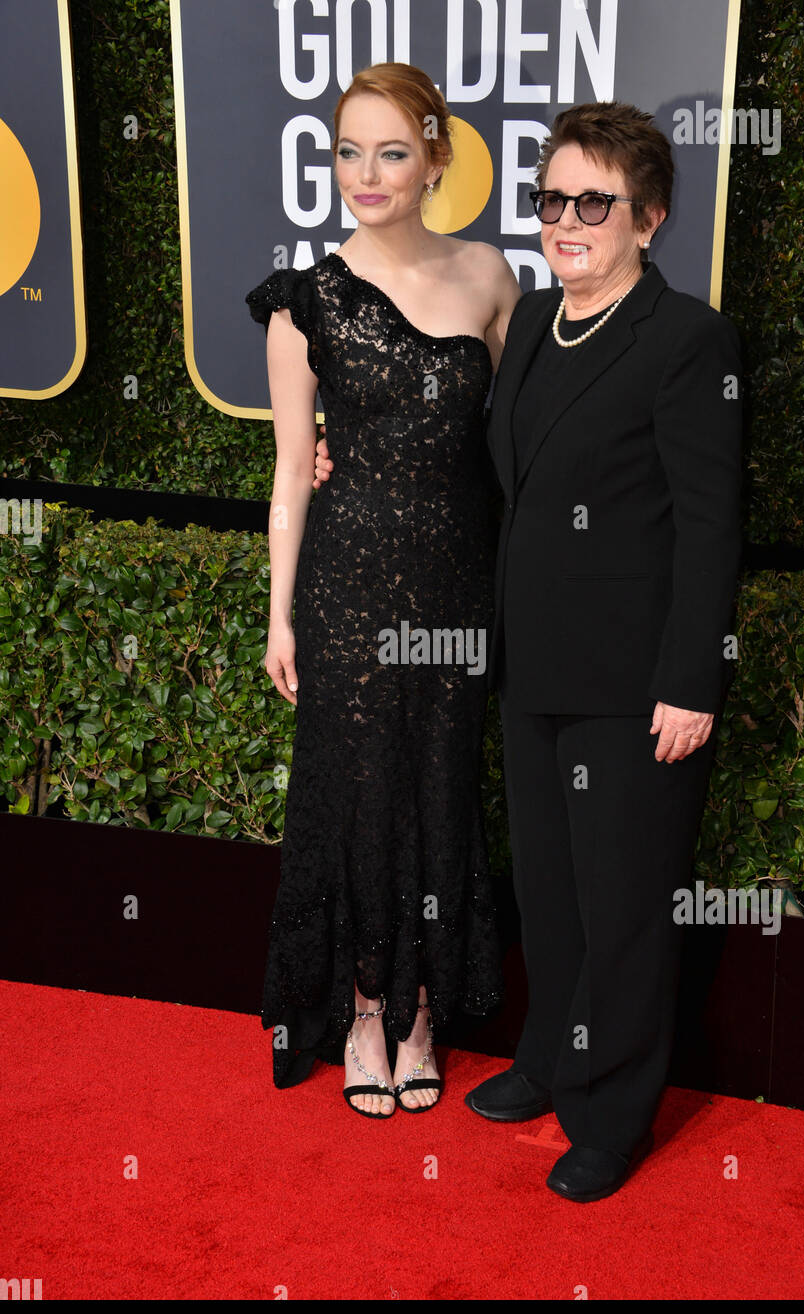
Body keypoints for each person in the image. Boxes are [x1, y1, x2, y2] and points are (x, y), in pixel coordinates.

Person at [314, 100, 742, 1193]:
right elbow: (480, 461)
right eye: (551, 199)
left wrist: (690, 678)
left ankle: (612, 1115)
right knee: (549, 897)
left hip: (635, 684)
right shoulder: (538, 327)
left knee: (624, 907)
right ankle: (553, 1059)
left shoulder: (686, 340)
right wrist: (339, 452)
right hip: (532, 668)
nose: (565, 220)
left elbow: (709, 521)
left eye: (592, 202)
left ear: (647, 217)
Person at [245, 63, 521, 1117]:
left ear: (435, 156)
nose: (367, 173)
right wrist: (279, 611)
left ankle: (420, 1011)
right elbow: (285, 473)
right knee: (358, 794)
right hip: (346, 582)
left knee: (439, 784)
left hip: (457, 584)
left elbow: (515, 450)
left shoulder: (491, 279)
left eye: (391, 151)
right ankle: (365, 1009)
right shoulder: (303, 301)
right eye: (347, 151)